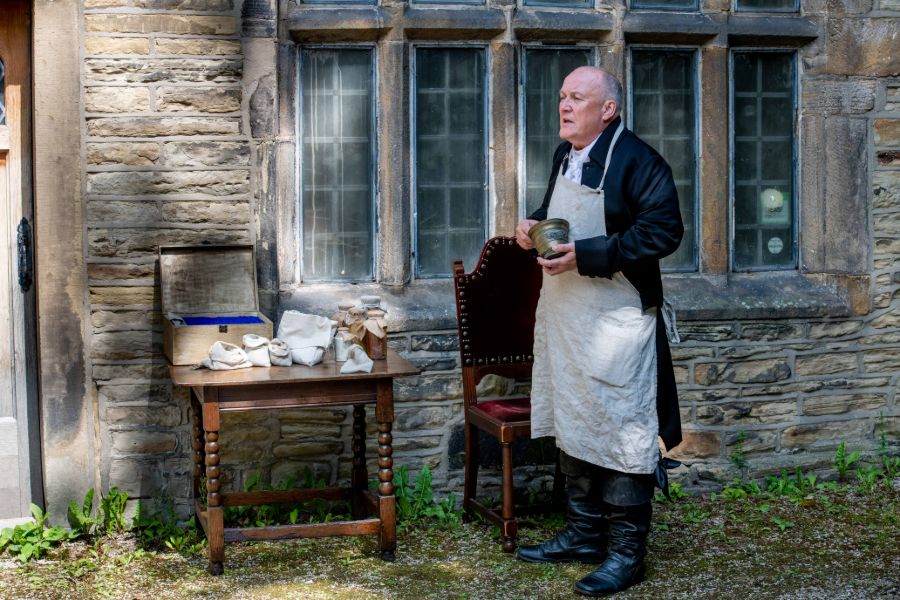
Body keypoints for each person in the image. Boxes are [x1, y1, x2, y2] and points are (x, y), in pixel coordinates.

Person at [514, 66, 683, 597]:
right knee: (576, 415)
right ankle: (584, 534)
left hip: (617, 318)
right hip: (568, 318)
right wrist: (531, 225)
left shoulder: (640, 161)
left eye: (577, 98)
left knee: (622, 428)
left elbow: (663, 231)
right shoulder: (568, 156)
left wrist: (586, 255)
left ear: (607, 109)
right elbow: (559, 215)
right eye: (561, 96)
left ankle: (626, 554)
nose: (563, 105)